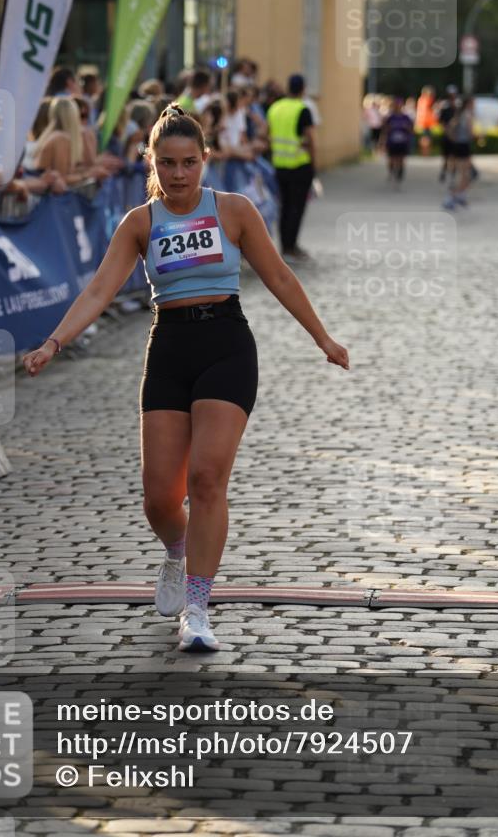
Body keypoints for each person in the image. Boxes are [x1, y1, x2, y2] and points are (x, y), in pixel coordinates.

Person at [22, 105, 349, 652]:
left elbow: (279, 276)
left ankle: (198, 608)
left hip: (226, 344)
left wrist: (322, 337)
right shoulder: (141, 222)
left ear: (206, 160)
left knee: (207, 479)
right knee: (158, 497)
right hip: (169, 347)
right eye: (168, 163)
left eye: (189, 163)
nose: (178, 174)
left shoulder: (235, 210)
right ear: (150, 161)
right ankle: (177, 551)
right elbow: (100, 290)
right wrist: (55, 341)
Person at [266, 73, 315, 263]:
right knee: (297, 208)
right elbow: (311, 138)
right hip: (300, 165)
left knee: (284, 207)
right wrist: (314, 163)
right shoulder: (303, 109)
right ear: (302, 89)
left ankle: (284, 246)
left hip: (279, 166)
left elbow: (266, 134)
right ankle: (291, 247)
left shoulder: (275, 108)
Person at [443, 96, 474, 211]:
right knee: (465, 175)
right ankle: (453, 197)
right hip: (464, 146)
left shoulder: (458, 115)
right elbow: (470, 133)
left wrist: (454, 139)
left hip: (456, 146)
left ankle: (458, 196)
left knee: (459, 174)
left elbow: (449, 129)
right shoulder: (467, 116)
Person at [381, 96, 414, 184]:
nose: (397, 106)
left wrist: (407, 128)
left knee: (401, 159)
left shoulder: (406, 117)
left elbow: (411, 130)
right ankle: (391, 172)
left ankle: (400, 174)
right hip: (392, 142)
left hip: (403, 142)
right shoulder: (390, 117)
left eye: (399, 105)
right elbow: (385, 130)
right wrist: (383, 141)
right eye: (396, 105)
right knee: (392, 159)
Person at [437, 86, 459, 183]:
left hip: (456, 136)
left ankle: (453, 175)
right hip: (447, 136)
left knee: (454, 157)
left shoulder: (458, 107)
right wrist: (448, 133)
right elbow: (442, 123)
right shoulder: (445, 107)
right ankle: (444, 172)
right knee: (446, 157)